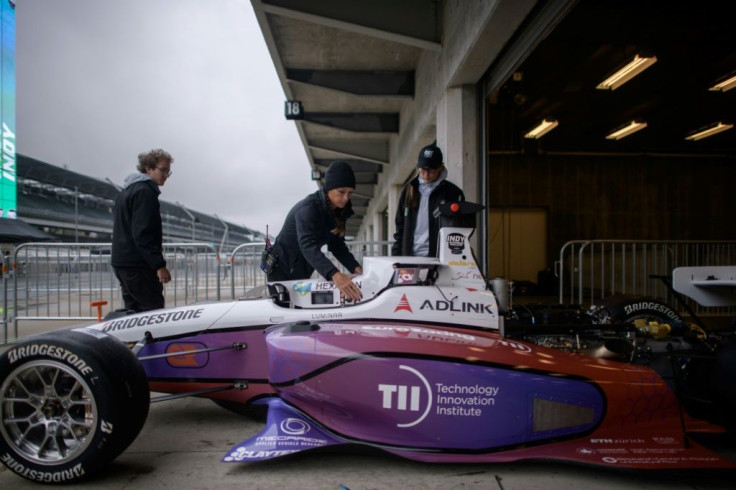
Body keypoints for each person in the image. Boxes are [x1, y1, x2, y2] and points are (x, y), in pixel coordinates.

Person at [267, 160, 363, 302]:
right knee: (283, 311)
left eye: (350, 193)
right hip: (282, 268)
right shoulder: (309, 208)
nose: (345, 198)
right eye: (341, 192)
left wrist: (356, 269)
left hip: (303, 266)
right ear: (329, 188)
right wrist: (335, 274)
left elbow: (337, 245)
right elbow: (307, 245)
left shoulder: (339, 211)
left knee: (300, 309)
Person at [111, 148, 173, 312]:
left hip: (123, 262)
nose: (166, 174)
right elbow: (142, 233)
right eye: (163, 170)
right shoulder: (145, 192)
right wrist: (159, 265)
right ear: (148, 168)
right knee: (153, 312)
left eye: (168, 171)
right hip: (137, 265)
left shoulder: (128, 190)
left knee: (134, 315)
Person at [392, 143, 465, 257]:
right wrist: (396, 256)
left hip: (440, 258)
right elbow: (400, 227)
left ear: (440, 167)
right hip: (410, 258)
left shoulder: (453, 193)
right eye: (423, 170)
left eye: (431, 171)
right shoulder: (408, 190)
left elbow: (459, 231)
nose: (426, 175)